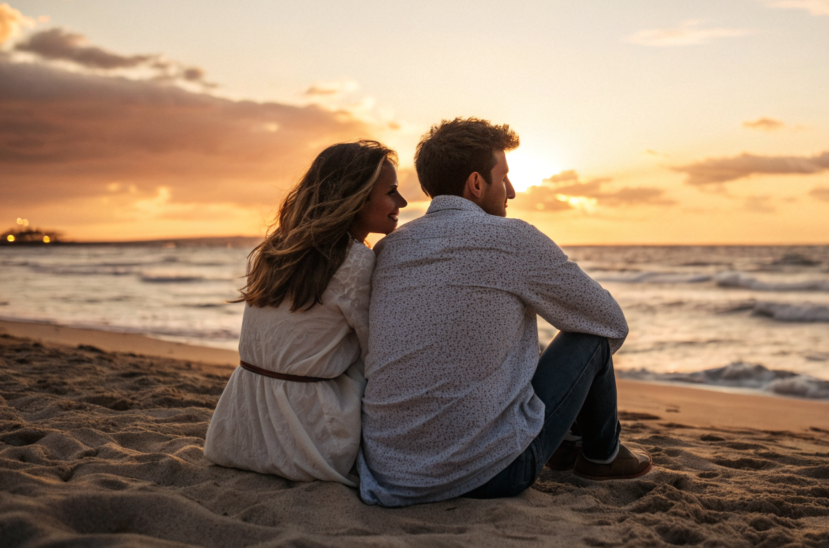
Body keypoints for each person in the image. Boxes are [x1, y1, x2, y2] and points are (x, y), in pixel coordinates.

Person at [358, 118, 651, 507]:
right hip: (493, 475)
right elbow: (609, 321)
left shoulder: (391, 249)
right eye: (505, 177)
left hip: (392, 475)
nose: (512, 191)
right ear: (476, 184)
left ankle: (570, 444)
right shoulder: (514, 239)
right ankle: (602, 455)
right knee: (589, 332)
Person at [204, 140, 407, 485]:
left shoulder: (275, 248)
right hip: (309, 438)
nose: (401, 202)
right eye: (391, 192)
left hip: (237, 428)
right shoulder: (354, 260)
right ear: (356, 197)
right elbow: (378, 353)